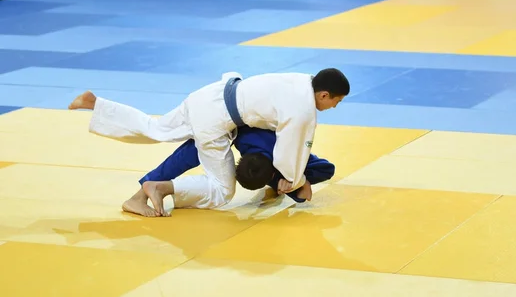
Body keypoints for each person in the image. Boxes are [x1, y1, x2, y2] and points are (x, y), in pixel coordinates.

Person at [68, 69, 350, 217]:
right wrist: (293, 179)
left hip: (211, 94)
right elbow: (291, 150)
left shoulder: (301, 80)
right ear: (324, 94)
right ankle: (160, 187)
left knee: (156, 128)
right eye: (336, 101)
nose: (335, 107)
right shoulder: (302, 111)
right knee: (222, 191)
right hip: (216, 120)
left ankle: (97, 104)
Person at [123, 126, 336, 217]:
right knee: (221, 188)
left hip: (224, 103)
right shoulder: (286, 154)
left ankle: (143, 193)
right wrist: (297, 181)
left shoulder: (282, 153)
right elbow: (314, 183)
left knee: (193, 147)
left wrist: (296, 178)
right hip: (223, 112)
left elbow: (328, 170)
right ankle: (148, 191)